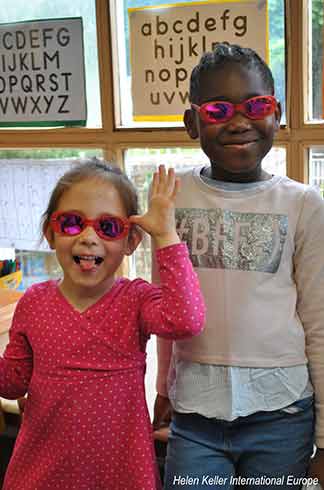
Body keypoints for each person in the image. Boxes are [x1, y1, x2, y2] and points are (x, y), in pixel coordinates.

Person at [153, 43, 324, 489]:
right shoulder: (174, 194)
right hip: (195, 415)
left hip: (282, 415)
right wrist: (163, 388)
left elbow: (320, 323)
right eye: (217, 109)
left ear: (277, 114)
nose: (239, 121)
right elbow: (167, 303)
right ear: (192, 123)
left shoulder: (303, 204)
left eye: (256, 105)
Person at [0, 159, 205, 490]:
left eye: (108, 227)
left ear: (131, 243)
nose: (88, 238)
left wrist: (165, 234)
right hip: (42, 473)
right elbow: (10, 383)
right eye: (71, 223)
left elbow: (186, 319)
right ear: (50, 234)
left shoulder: (135, 300)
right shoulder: (34, 302)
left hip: (121, 473)